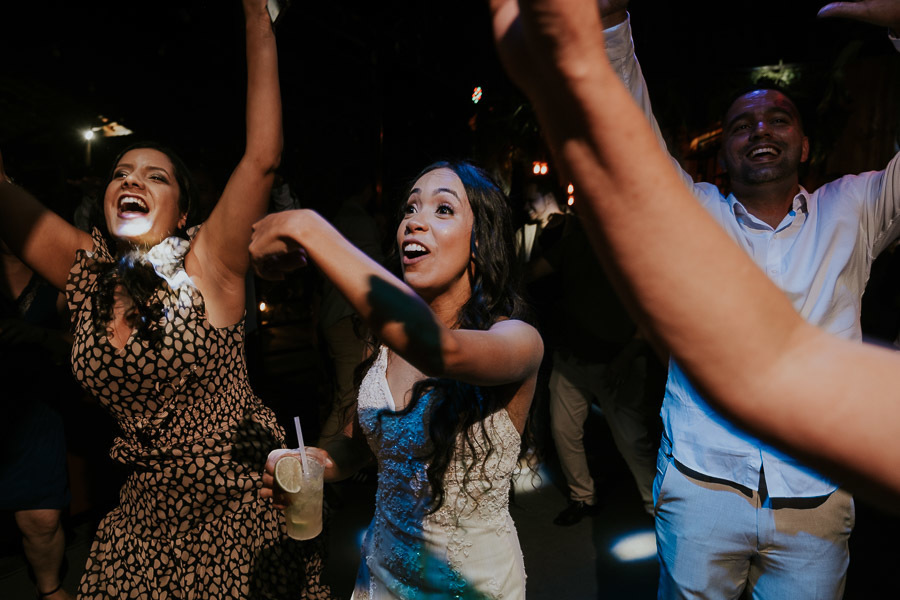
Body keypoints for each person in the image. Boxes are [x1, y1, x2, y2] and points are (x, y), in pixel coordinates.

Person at [490, 0, 900, 570]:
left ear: (804, 146)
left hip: (817, 495)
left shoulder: (854, 206)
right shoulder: (696, 210)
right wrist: (609, 24)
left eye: (778, 119)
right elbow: (631, 140)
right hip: (703, 486)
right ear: (723, 153)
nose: (760, 129)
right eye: (741, 125)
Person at [0, 1, 332, 598]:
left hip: (241, 509)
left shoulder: (209, 262)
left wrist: (258, 15)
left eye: (156, 176)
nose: (132, 180)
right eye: (122, 172)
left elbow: (261, 156)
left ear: (182, 213)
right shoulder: (86, 274)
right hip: (142, 521)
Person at [252, 161, 543, 598]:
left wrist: (305, 224)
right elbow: (359, 448)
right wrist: (319, 464)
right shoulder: (380, 343)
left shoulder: (517, 340)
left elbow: (439, 350)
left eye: (443, 209)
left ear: (479, 240)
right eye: (410, 209)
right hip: (383, 573)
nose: (415, 222)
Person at [1, 242, 75, 600]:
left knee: (42, 518)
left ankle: (49, 589)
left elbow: (84, 344)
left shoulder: (53, 275)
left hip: (36, 405)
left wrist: (37, 336)